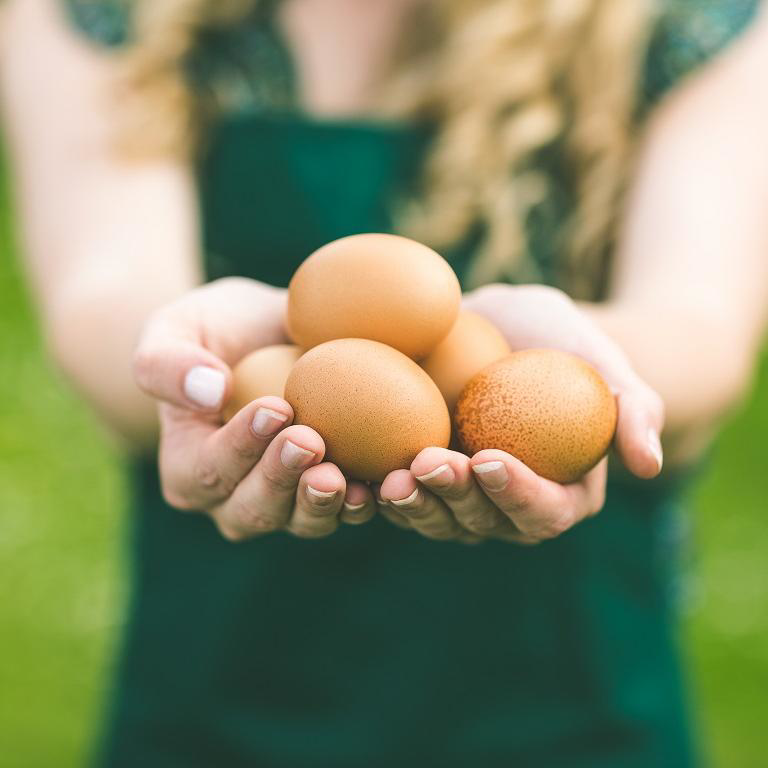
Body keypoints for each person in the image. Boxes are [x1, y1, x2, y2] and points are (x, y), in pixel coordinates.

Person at [1, 0, 766, 765]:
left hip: (564, 698)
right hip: (224, 692)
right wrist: (193, 363)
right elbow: (103, 292)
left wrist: (571, 378)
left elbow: (700, 325)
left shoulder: (680, 18)